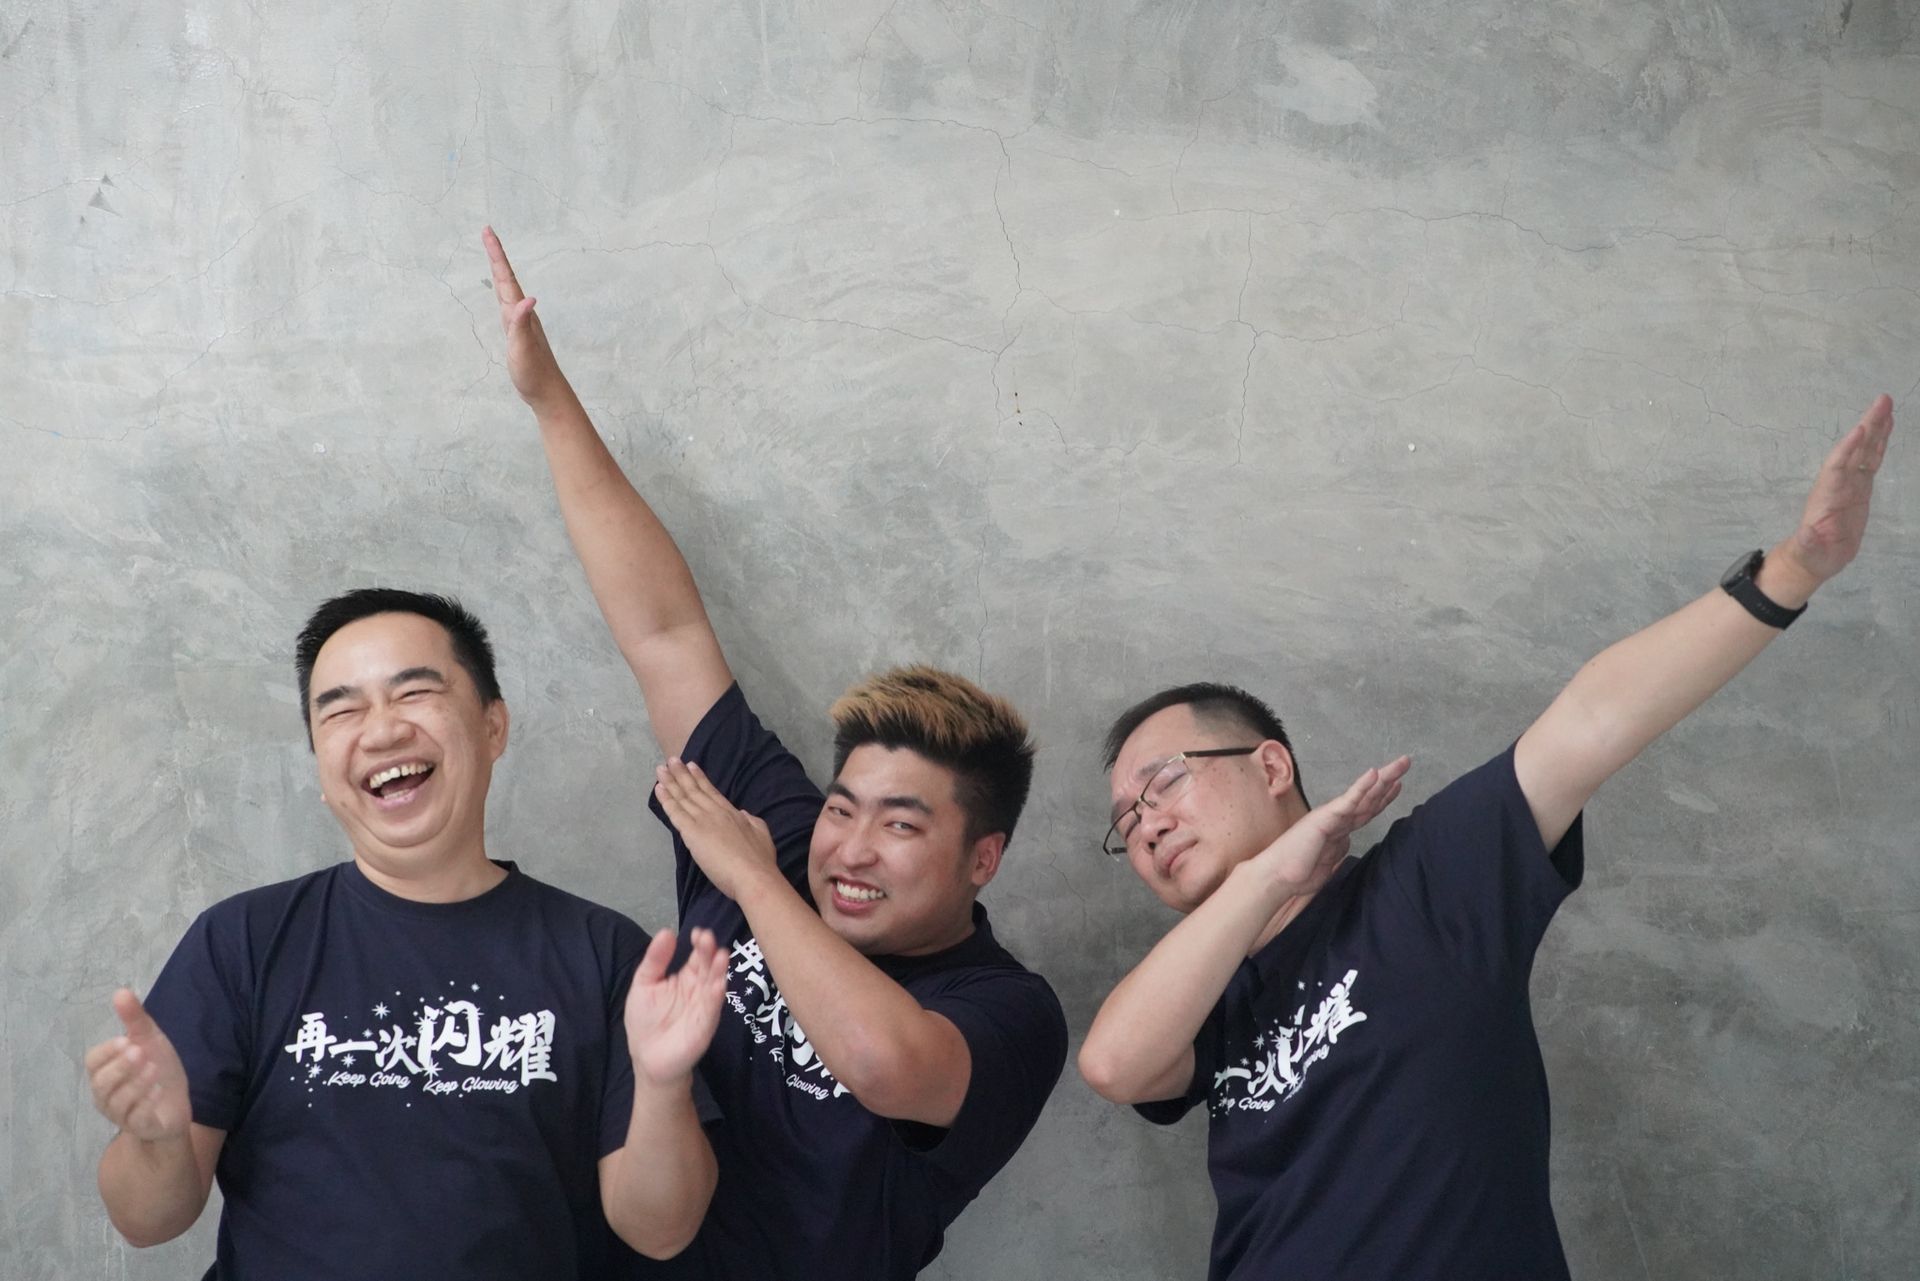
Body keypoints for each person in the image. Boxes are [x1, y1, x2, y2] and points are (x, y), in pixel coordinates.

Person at [1078, 397, 1897, 1279]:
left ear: (1270, 765)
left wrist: (1789, 572)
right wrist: (1267, 878)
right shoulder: (1208, 999)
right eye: (1126, 821)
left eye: (1164, 781)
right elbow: (1114, 1063)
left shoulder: (1425, 882)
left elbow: (1590, 721)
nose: (1147, 823)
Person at [484, 225, 1068, 1281]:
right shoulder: (784, 831)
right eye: (845, 806)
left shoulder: (1006, 1010)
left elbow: (885, 1064)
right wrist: (547, 397)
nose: (849, 847)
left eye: (902, 824)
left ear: (982, 858)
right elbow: (663, 633)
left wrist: (754, 882)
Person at [83, 587, 726, 1279]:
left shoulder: (604, 952)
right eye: (342, 710)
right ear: (321, 765)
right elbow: (146, 1220)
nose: (382, 731)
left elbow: (661, 1232)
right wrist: (156, 1140)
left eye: (414, 693)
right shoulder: (243, 941)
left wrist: (662, 1085)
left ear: (493, 725)